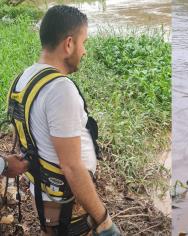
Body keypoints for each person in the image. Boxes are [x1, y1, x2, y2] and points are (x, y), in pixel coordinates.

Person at [7, 5, 120, 236]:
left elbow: (24, 136)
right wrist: (104, 220)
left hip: (43, 194)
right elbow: (72, 166)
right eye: (83, 42)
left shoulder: (22, 79)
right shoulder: (60, 89)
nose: (85, 51)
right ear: (69, 44)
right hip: (65, 203)